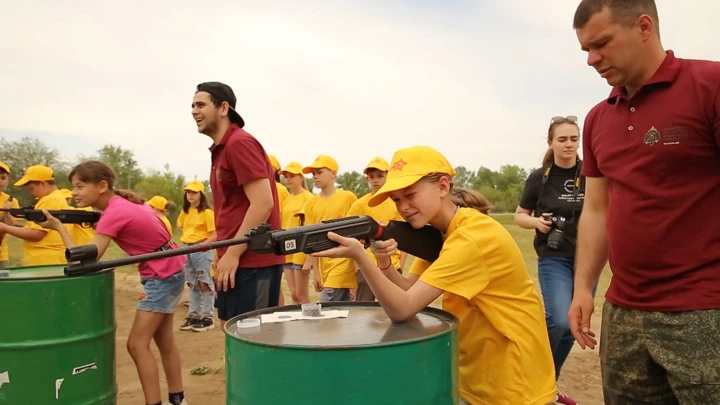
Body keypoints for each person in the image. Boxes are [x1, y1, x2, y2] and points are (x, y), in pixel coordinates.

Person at [312, 146, 557, 405]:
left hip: (513, 383)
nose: (403, 207)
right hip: (482, 373)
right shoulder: (443, 233)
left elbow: (402, 309)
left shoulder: (471, 237)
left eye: (410, 195)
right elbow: (408, 289)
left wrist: (360, 257)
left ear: (443, 186)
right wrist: (383, 263)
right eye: (396, 199)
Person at [569, 1, 720, 404]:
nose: (592, 59)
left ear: (643, 26)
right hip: (624, 313)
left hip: (704, 311)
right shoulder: (598, 119)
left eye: (601, 43)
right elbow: (597, 209)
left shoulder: (710, 84)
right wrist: (584, 287)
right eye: (585, 49)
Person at [39, 160, 188, 405]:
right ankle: (177, 399)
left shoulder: (114, 213)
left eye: (79, 186)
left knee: (137, 345)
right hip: (170, 268)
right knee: (164, 341)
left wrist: (58, 227)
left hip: (161, 276)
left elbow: (84, 260)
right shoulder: (122, 204)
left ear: (102, 186)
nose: (74, 193)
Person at [192, 81, 285, 324]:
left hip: (253, 261)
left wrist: (232, 253)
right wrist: (223, 249)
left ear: (224, 108)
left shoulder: (239, 143)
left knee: (254, 339)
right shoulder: (221, 149)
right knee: (233, 332)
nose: (194, 111)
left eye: (201, 104)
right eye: (192, 106)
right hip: (235, 259)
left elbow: (263, 204)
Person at [514, 116, 587, 405]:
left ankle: (546, 386)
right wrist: (537, 224)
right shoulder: (539, 177)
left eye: (573, 139)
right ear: (550, 142)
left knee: (573, 325)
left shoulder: (591, 173)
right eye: (562, 139)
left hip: (586, 259)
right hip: (553, 257)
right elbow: (520, 215)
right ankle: (535, 377)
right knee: (557, 319)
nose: (569, 145)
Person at [346, 156, 407, 302]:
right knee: (364, 309)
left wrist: (401, 265)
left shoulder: (396, 203)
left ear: (388, 176)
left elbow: (406, 238)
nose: (375, 180)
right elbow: (350, 238)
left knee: (394, 307)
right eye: (371, 176)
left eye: (380, 176)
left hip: (392, 266)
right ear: (367, 179)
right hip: (366, 266)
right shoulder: (359, 205)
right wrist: (357, 267)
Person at [301, 155, 358, 302]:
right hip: (325, 265)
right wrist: (317, 273)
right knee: (343, 313)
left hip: (344, 263)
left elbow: (356, 234)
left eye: (319, 172)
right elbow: (311, 242)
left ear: (333, 173)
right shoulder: (311, 204)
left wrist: (357, 268)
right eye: (313, 174)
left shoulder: (348, 197)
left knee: (326, 310)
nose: (315, 177)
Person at [0, 165, 72, 266]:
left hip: (46, 260)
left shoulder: (50, 200)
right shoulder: (53, 198)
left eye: (31, 189)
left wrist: (5, 228)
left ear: (43, 183)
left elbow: (37, 234)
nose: (31, 193)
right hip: (47, 259)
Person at [176, 180, 217, 332]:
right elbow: (180, 226)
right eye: (188, 192)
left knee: (204, 281)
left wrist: (203, 244)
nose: (190, 195)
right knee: (192, 282)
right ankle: (193, 314)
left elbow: (215, 234)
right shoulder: (185, 212)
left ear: (201, 194)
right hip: (187, 248)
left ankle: (207, 316)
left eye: (193, 192)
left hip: (201, 248)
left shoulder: (207, 213)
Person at [278, 161, 313, 304]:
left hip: (301, 251)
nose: (288, 179)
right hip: (287, 251)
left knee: (301, 294)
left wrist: (309, 258)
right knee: (293, 294)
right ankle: (299, 323)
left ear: (301, 177)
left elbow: (311, 228)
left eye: (292, 176)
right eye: (286, 176)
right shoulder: (287, 200)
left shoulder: (309, 198)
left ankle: (312, 323)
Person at [0, 161, 20, 268]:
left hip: (1, 255)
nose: (0, 181)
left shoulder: (10, 200)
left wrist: (7, 212)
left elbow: (15, 228)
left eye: (3, 178)